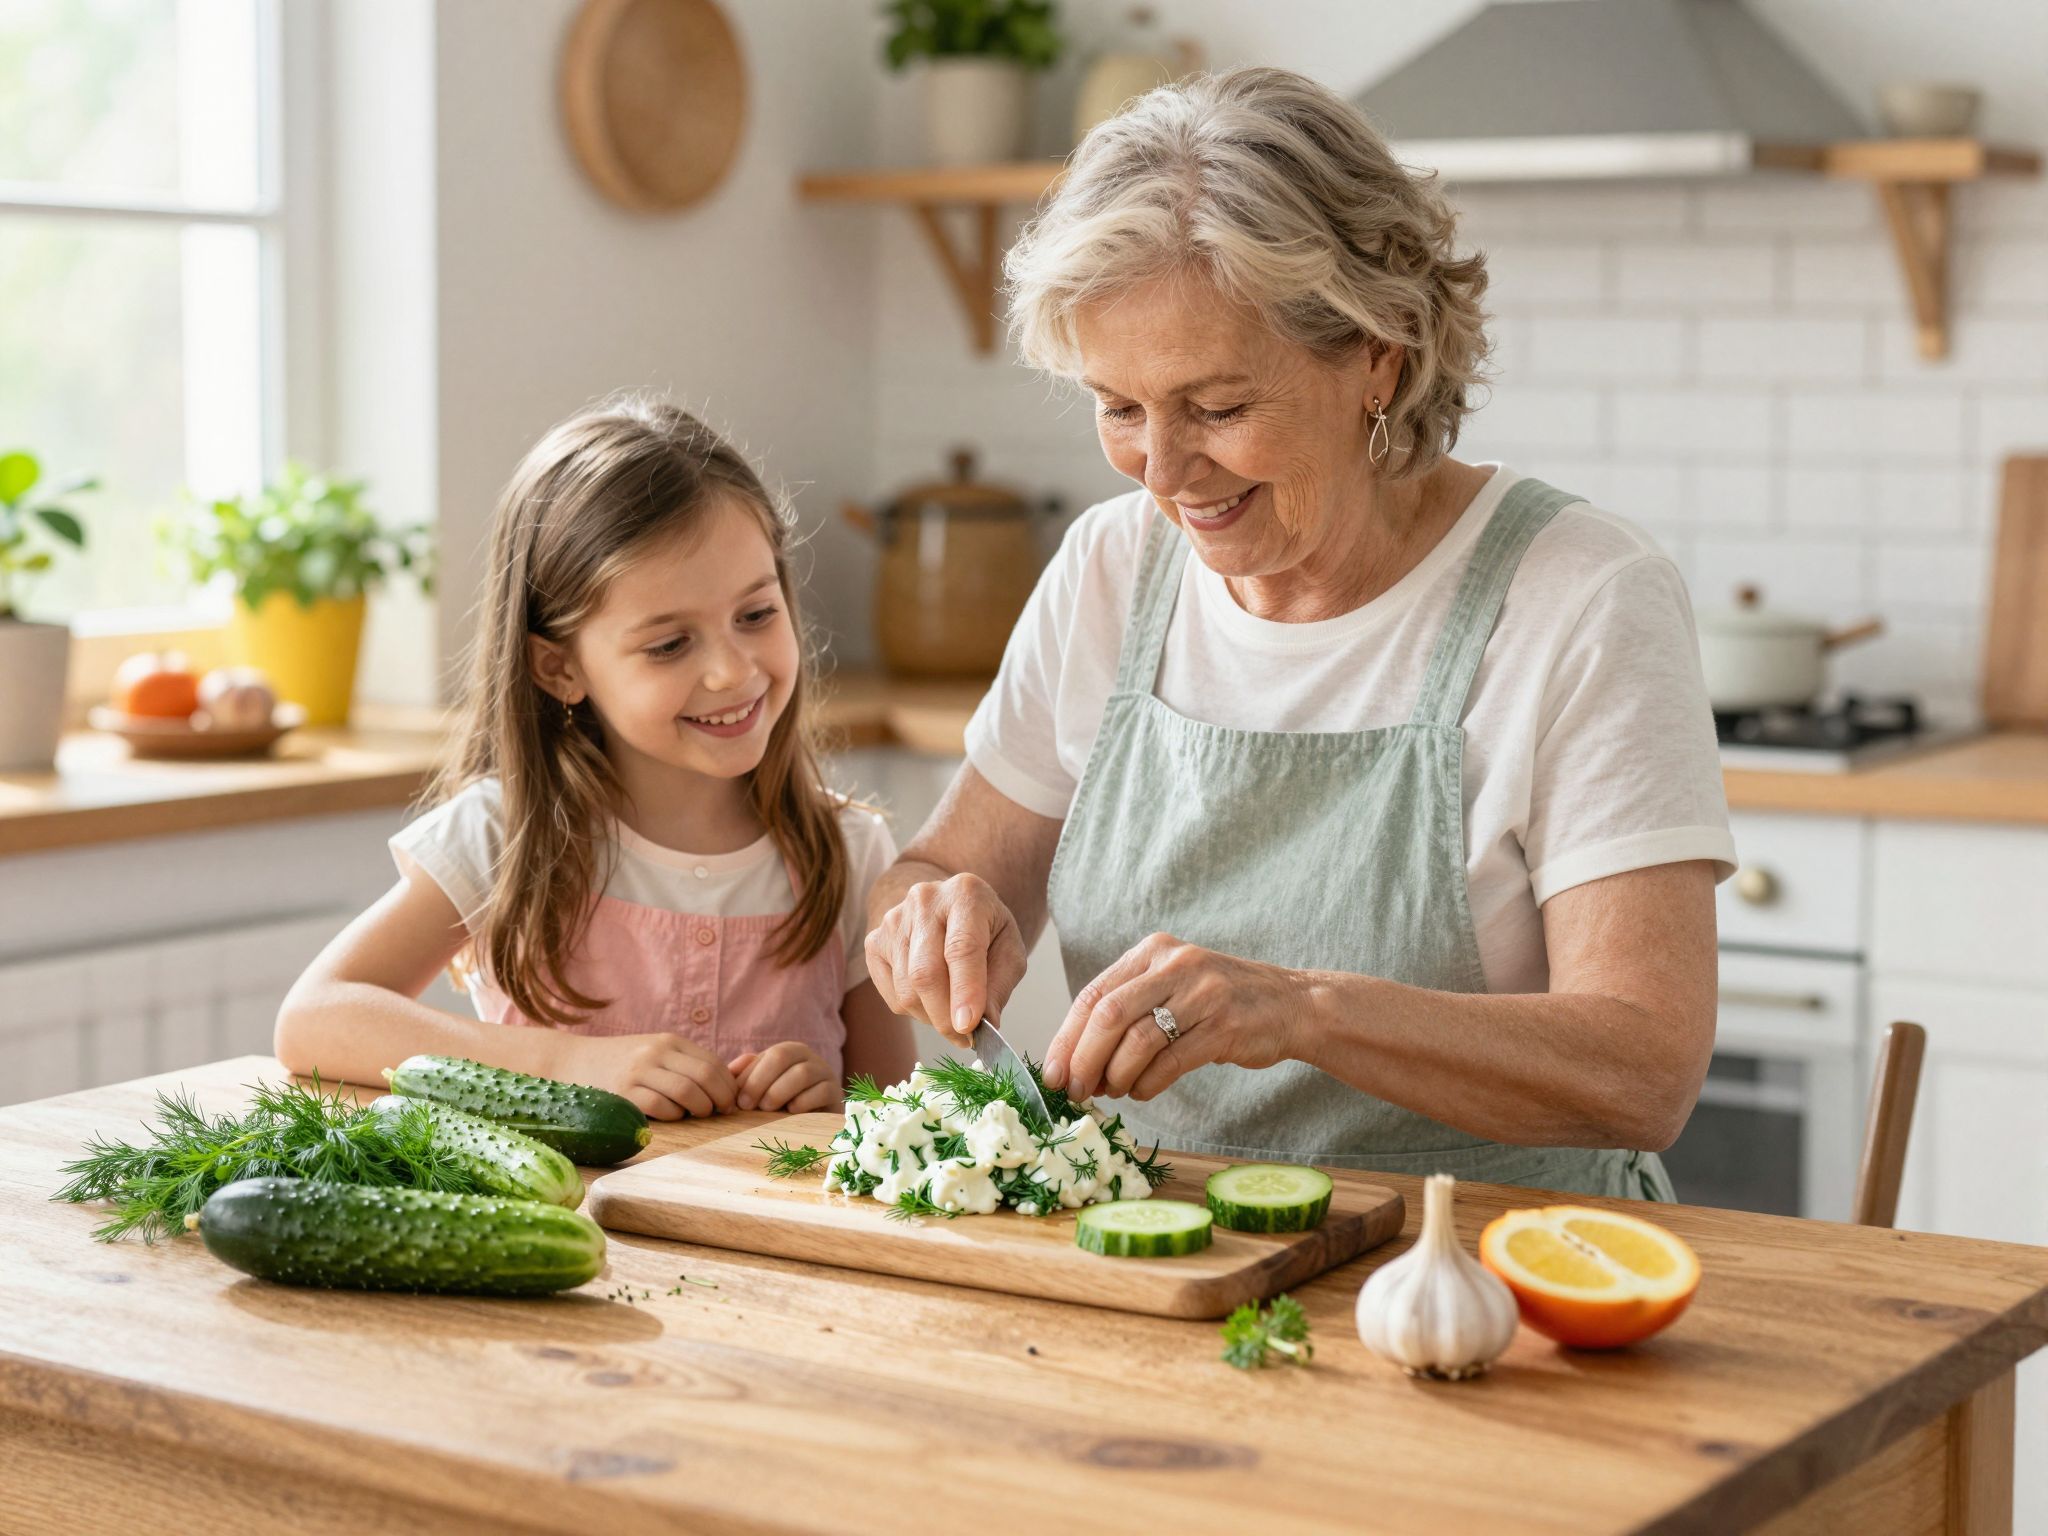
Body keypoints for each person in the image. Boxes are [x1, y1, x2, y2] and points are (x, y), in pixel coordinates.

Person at [863, 69, 1735, 1199]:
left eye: (1218, 408)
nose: (1163, 473)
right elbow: (933, 872)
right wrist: (925, 917)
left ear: (1380, 352)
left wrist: (1303, 1012)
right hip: (1160, 1259)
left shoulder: (1579, 596)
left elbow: (1642, 1069)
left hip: (1490, 1280)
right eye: (1118, 407)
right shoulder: (1108, 568)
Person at [278, 397, 914, 1118]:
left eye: (757, 615)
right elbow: (315, 1018)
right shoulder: (503, 835)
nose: (733, 673)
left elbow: (893, 1118)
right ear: (559, 670)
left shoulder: (850, 852)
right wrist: (567, 1062)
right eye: (670, 644)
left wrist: (830, 1102)